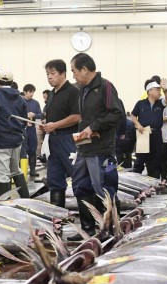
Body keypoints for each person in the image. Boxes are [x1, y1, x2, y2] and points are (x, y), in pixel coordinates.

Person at [68, 53, 124, 241]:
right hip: (84, 148)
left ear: (84, 69)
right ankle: (88, 228)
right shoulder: (82, 89)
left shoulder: (105, 87)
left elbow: (117, 115)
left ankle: (109, 228)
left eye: (74, 71)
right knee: (80, 187)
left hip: (101, 150)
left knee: (104, 189)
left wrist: (94, 127)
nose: (73, 75)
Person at [38, 59, 81, 207]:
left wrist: (55, 125)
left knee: (79, 177)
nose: (49, 77)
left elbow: (77, 116)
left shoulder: (73, 92)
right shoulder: (51, 95)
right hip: (53, 142)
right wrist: (45, 125)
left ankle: (89, 219)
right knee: (54, 180)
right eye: (47, 74)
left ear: (63, 73)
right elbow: (53, 117)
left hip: (68, 140)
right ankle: (58, 217)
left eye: (53, 73)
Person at [0, 70, 29, 198]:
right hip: (16, 141)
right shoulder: (20, 98)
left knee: (2, 174)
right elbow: (24, 120)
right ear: (12, 82)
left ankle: (4, 206)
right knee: (16, 170)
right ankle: (26, 198)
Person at [131, 80, 167, 179]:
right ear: (150, 91)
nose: (159, 91)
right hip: (143, 133)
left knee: (155, 161)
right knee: (140, 160)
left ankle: (154, 184)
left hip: (156, 134)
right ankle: (137, 183)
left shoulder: (160, 103)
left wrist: (165, 89)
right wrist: (138, 125)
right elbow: (133, 115)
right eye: (157, 89)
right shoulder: (140, 103)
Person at [22, 84, 43, 177]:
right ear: (25, 92)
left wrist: (34, 114)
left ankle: (33, 170)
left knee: (33, 149)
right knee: (22, 150)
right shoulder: (20, 101)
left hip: (32, 129)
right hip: (23, 129)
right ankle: (22, 170)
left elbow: (41, 115)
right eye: (30, 92)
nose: (32, 94)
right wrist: (25, 116)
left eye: (33, 92)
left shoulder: (36, 103)